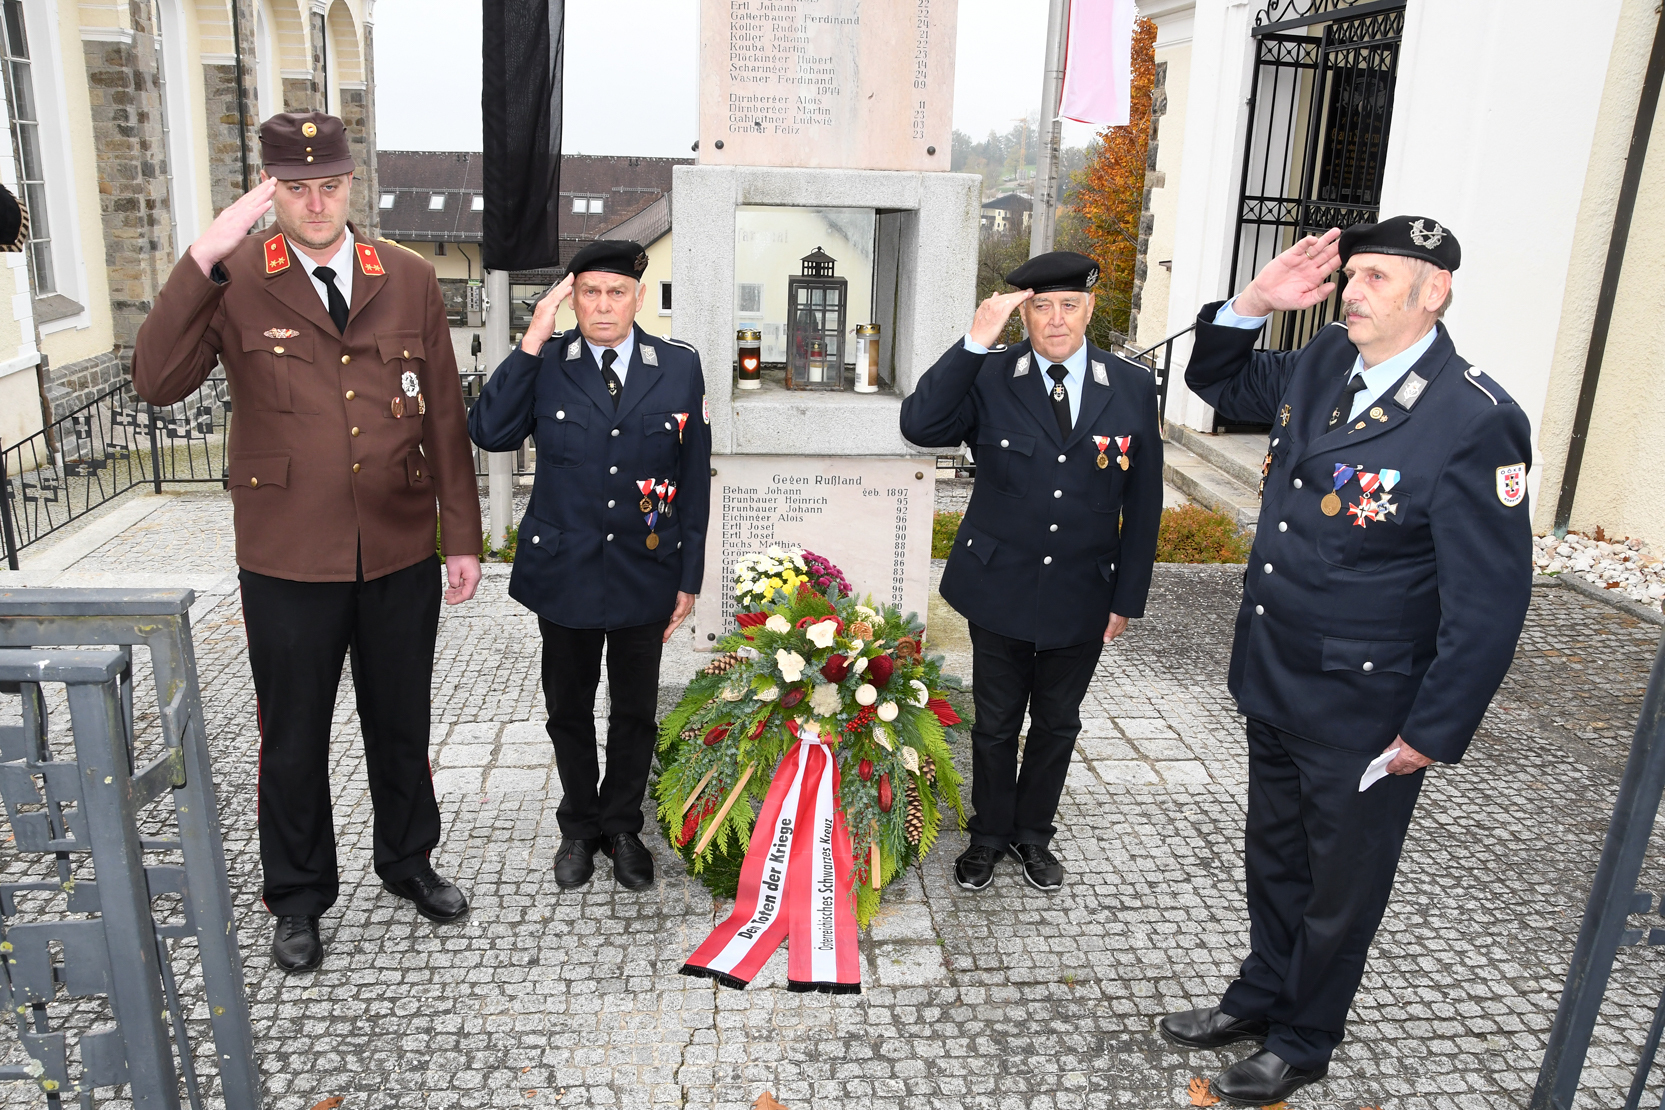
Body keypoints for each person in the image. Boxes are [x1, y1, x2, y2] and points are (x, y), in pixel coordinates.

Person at [1158, 218, 1532, 1106]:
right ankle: (1260, 995)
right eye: (1350, 275)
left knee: (1341, 885)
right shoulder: (1329, 359)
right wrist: (1251, 303)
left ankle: (1303, 1037)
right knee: (1275, 855)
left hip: (1367, 706)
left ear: (1430, 292)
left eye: (1372, 278)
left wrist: (1431, 731)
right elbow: (1216, 378)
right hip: (1276, 673)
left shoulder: (1474, 419)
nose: (1350, 292)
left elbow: (1488, 603)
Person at [132, 112, 482, 973]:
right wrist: (202, 256)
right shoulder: (236, 278)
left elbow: (443, 413)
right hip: (288, 556)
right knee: (293, 736)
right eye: (296, 187)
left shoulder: (403, 275)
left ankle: (408, 862)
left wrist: (462, 537)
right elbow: (155, 379)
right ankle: (297, 896)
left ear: (351, 184)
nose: (316, 202)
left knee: (400, 724)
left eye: (329, 184)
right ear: (270, 191)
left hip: (399, 547)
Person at [899, 251, 1163, 893]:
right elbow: (919, 423)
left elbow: (1144, 500)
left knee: (1057, 722)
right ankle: (988, 835)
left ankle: (1033, 834)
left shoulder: (1128, 386)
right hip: (1000, 585)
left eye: (1068, 305)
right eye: (1039, 306)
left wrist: (1126, 597)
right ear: (1023, 313)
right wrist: (973, 342)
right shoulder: (991, 376)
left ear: (1090, 308)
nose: (1054, 320)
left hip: (1082, 589)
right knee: (994, 723)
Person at [468, 240, 710, 891]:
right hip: (566, 569)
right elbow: (489, 432)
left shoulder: (679, 366)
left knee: (633, 711)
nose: (603, 305)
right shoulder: (545, 362)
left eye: (617, 292)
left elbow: (690, 476)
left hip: (644, 567)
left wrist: (687, 576)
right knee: (567, 708)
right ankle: (579, 828)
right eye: (590, 293)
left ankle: (622, 825)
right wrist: (529, 340)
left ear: (637, 294)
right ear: (571, 297)